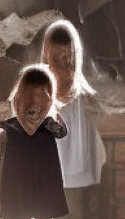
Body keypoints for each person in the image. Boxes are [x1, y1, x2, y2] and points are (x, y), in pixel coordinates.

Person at [0, 65, 68, 219]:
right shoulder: (45, 124)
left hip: (28, 177)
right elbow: (61, 132)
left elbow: (61, 132)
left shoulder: (43, 124)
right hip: (34, 176)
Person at [41, 19, 106, 189]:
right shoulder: (44, 78)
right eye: (59, 53)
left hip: (75, 144)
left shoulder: (77, 82)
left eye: (67, 52)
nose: (64, 57)